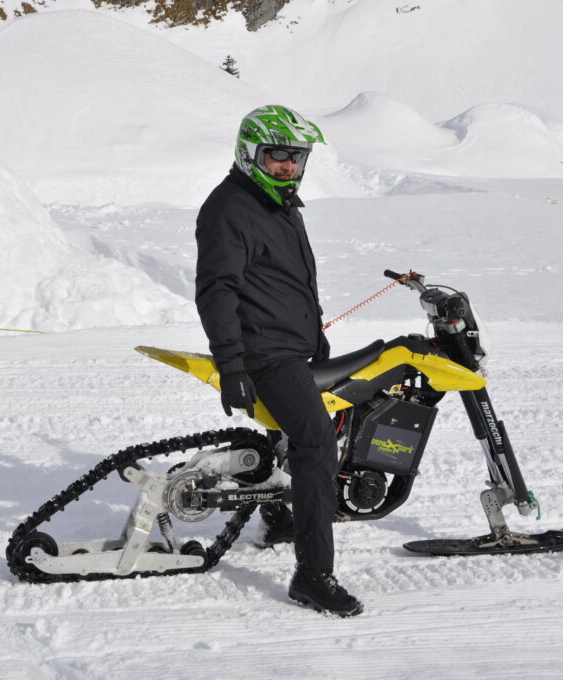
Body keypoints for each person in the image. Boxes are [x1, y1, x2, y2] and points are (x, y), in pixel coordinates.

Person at [194, 104, 363, 617]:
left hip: (292, 345)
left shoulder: (280, 203)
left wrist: (315, 336)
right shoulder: (231, 208)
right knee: (315, 444)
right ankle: (313, 576)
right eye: (277, 157)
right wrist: (233, 367)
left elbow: (288, 282)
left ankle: (281, 516)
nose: (288, 166)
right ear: (251, 155)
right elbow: (217, 291)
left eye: (295, 158)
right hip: (263, 353)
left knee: (292, 436)